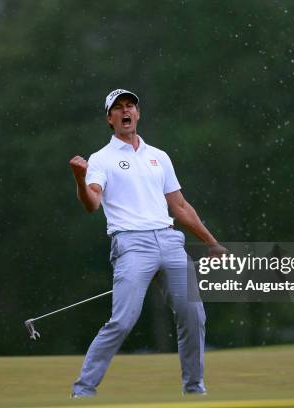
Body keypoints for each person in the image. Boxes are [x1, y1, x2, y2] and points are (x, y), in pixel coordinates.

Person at [68, 89, 226, 397]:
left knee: (193, 314)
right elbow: (92, 204)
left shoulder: (159, 156)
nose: (125, 111)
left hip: (169, 240)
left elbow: (179, 207)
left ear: (137, 114)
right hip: (130, 245)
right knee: (123, 320)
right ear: (110, 119)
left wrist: (211, 242)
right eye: (118, 108)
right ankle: (83, 389)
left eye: (130, 106)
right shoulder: (101, 159)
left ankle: (194, 389)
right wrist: (79, 178)